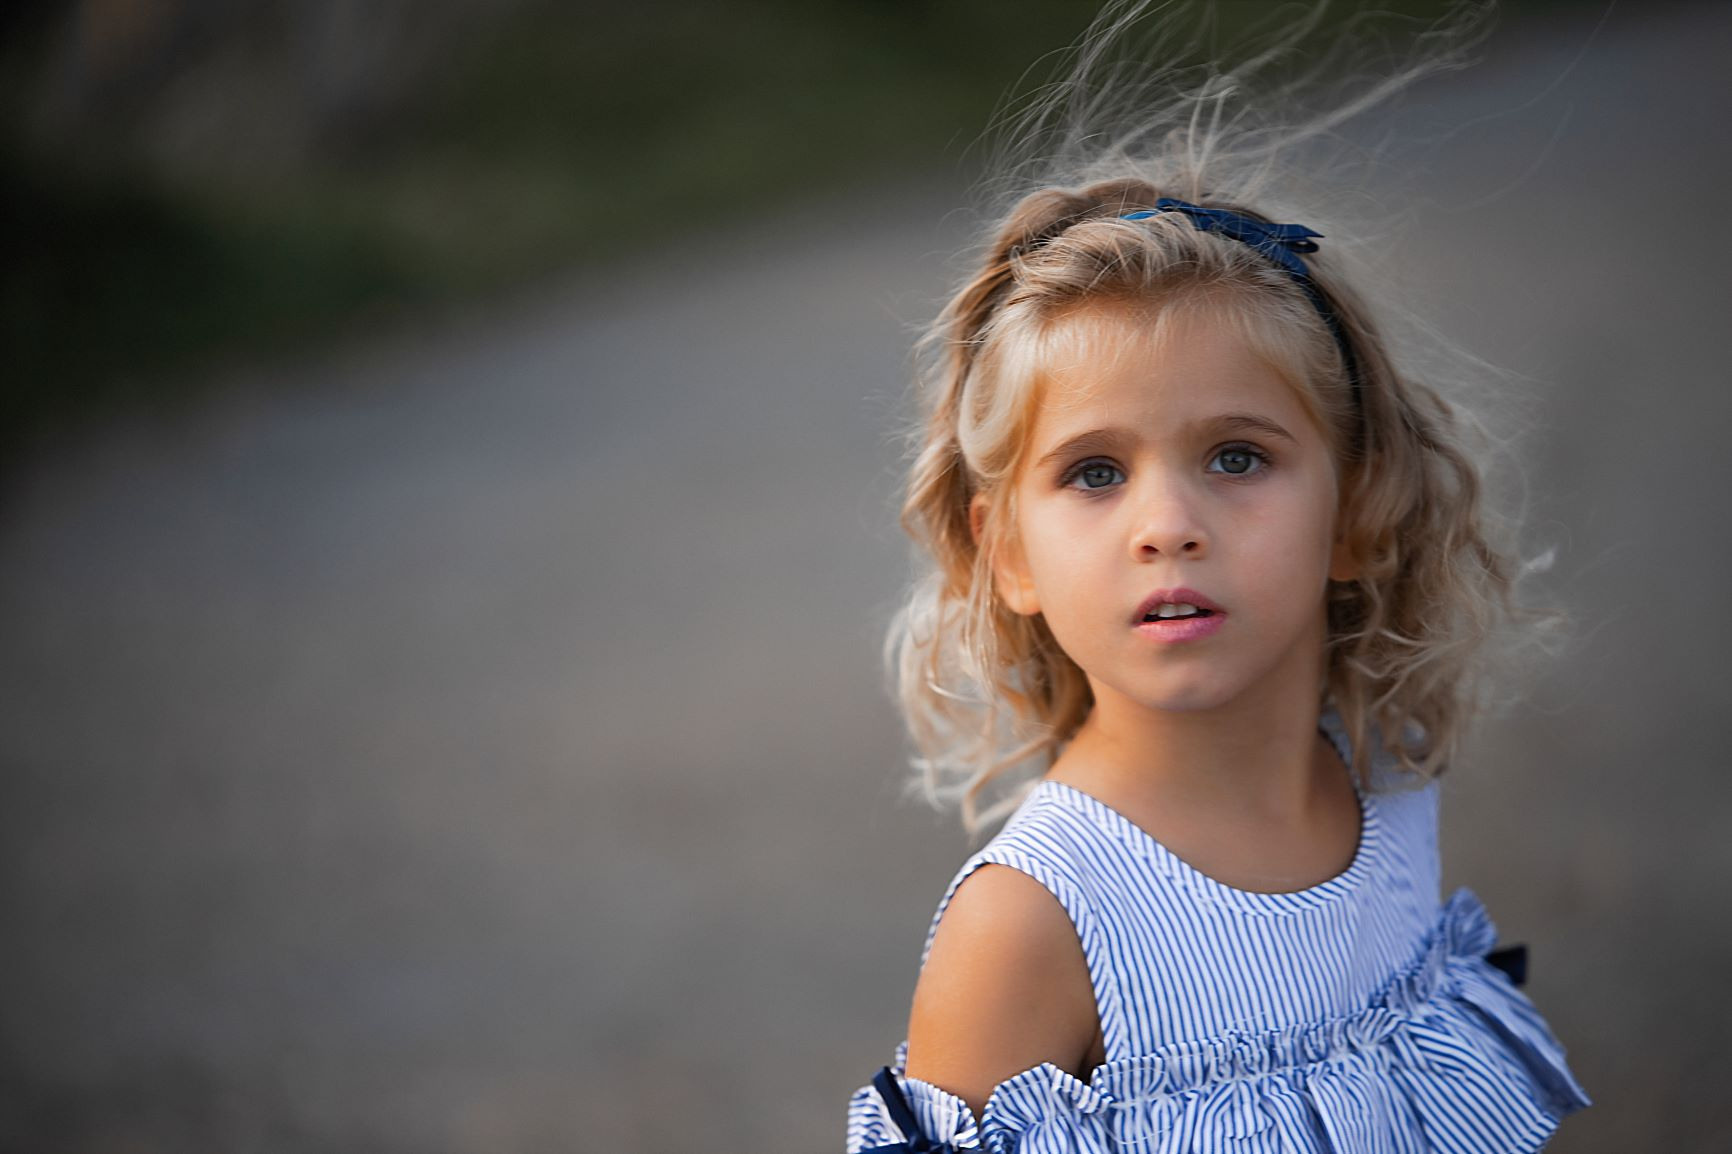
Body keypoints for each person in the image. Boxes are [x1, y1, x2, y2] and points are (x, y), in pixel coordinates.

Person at [843, 3, 1591, 1151]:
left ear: (1357, 509)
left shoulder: (1382, 771)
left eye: (1237, 456)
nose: (1168, 525)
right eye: (1093, 472)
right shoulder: (1035, 922)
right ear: (1008, 556)